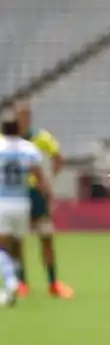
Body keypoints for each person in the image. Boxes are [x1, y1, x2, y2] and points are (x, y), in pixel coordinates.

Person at [12, 101, 72, 299]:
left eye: (26, 115)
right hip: (15, 194)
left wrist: (50, 181)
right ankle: (21, 283)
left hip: (36, 194)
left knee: (46, 236)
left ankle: (53, 282)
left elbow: (58, 157)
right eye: (20, 115)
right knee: (16, 239)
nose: (23, 119)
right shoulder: (5, 140)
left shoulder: (40, 137)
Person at [0, 111, 54, 307]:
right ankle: (12, 285)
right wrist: (48, 194)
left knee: (3, 248)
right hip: (21, 203)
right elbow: (39, 176)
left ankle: (12, 281)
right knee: (15, 244)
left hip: (2, 203)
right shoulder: (28, 148)